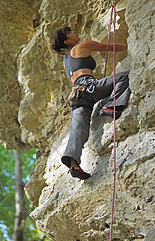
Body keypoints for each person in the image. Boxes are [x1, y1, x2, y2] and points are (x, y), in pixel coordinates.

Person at [51, 26, 131, 180]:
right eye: (70, 32)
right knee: (125, 76)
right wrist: (132, 45)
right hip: (90, 88)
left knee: (77, 131)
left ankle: (74, 165)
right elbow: (109, 47)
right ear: (67, 41)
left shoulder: (65, 61)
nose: (75, 32)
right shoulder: (82, 45)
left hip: (77, 96)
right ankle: (111, 105)